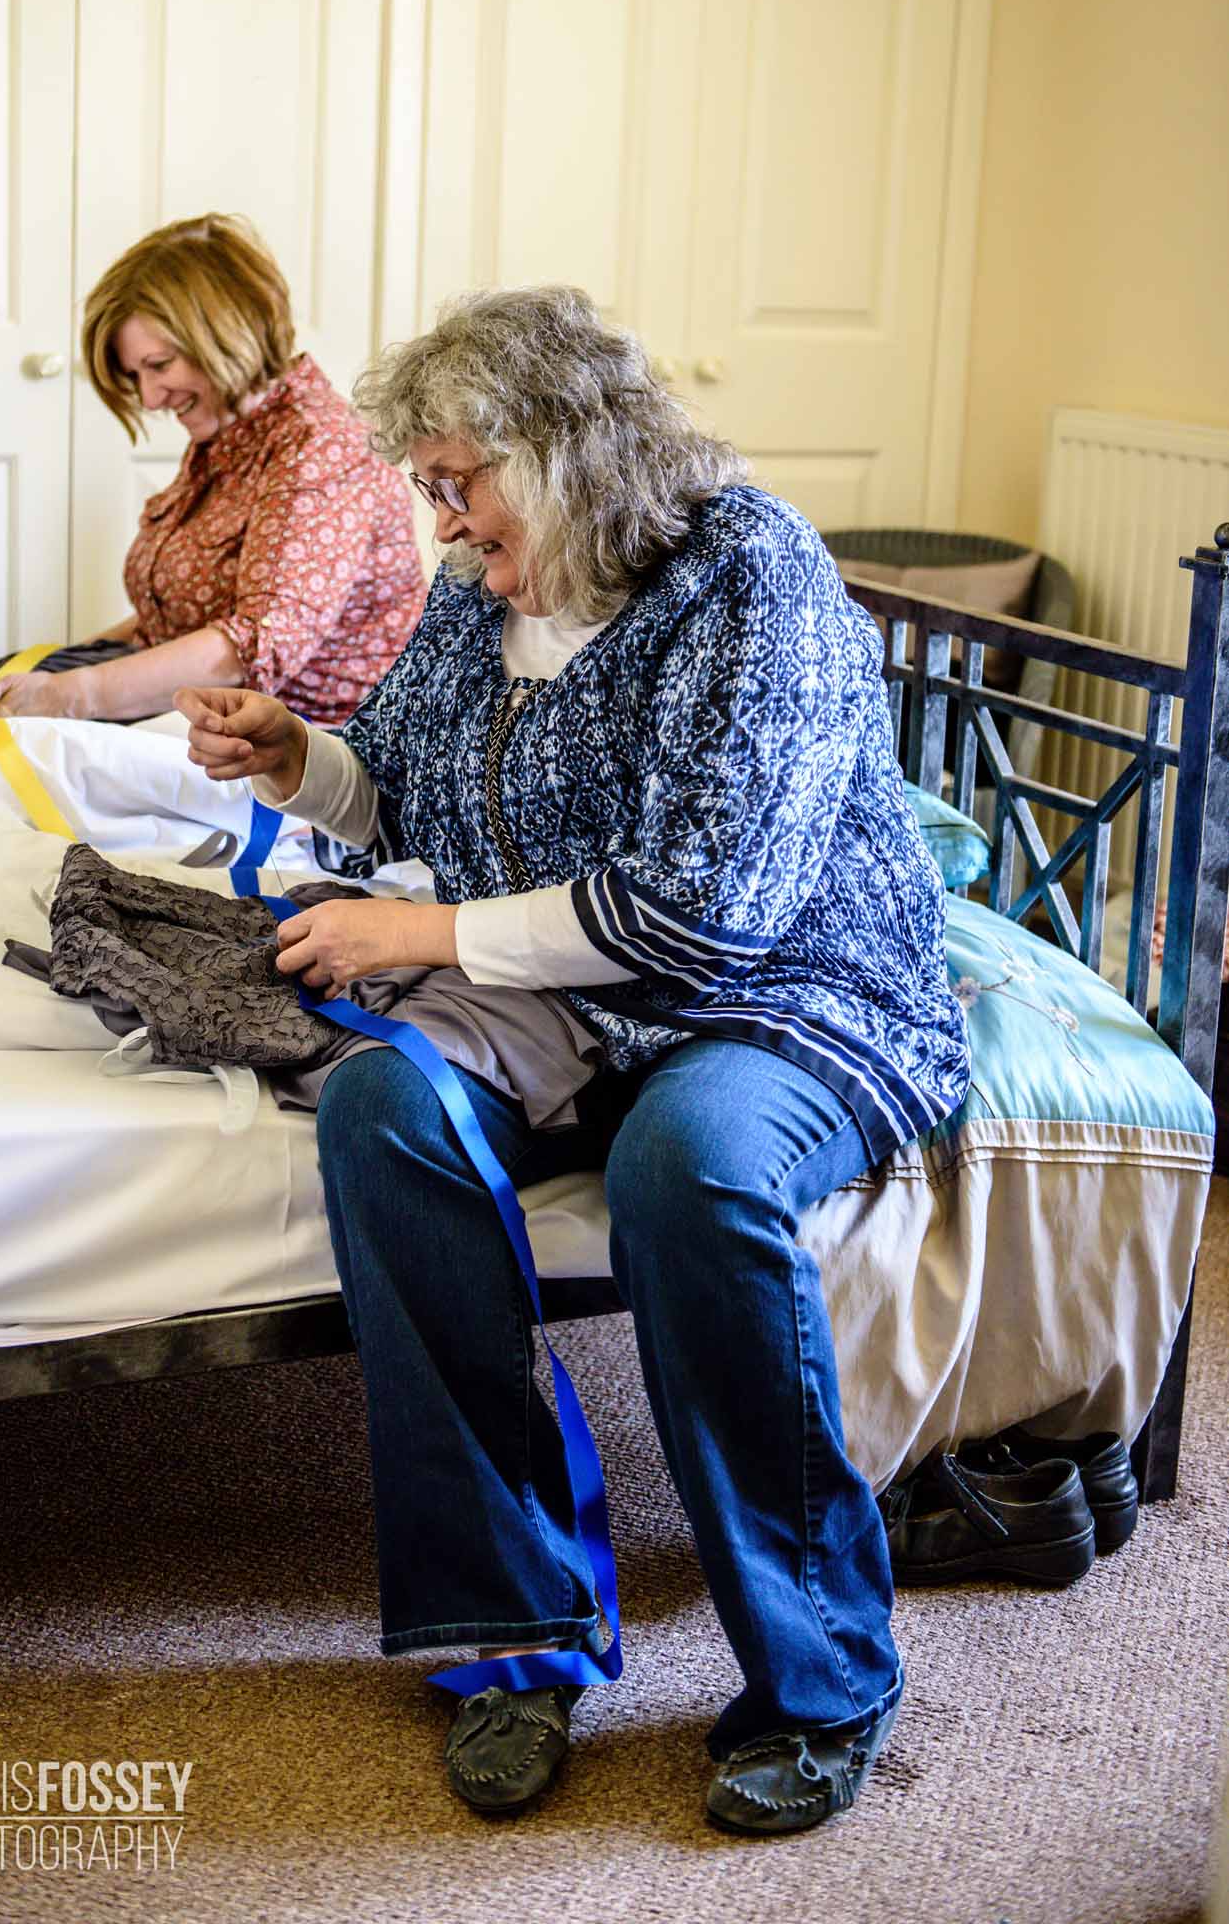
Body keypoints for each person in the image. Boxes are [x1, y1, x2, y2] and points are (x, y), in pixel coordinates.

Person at [175, 286, 970, 1834]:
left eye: (455, 481)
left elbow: (707, 910)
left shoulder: (750, 576)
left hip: (782, 993)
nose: (439, 518)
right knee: (385, 1110)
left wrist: (415, 938)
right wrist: (298, 759)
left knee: (689, 1167)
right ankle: (512, 1631)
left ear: (554, 452)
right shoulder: (479, 591)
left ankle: (822, 1678)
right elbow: (402, 785)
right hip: (568, 991)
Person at [0, 214, 425, 731]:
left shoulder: (321, 448)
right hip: (203, 713)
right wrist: (59, 668)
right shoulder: (227, 437)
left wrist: (71, 693)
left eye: (158, 365)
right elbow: (173, 621)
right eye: (136, 375)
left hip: (293, 738)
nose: (151, 398)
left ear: (229, 333)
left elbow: (255, 647)